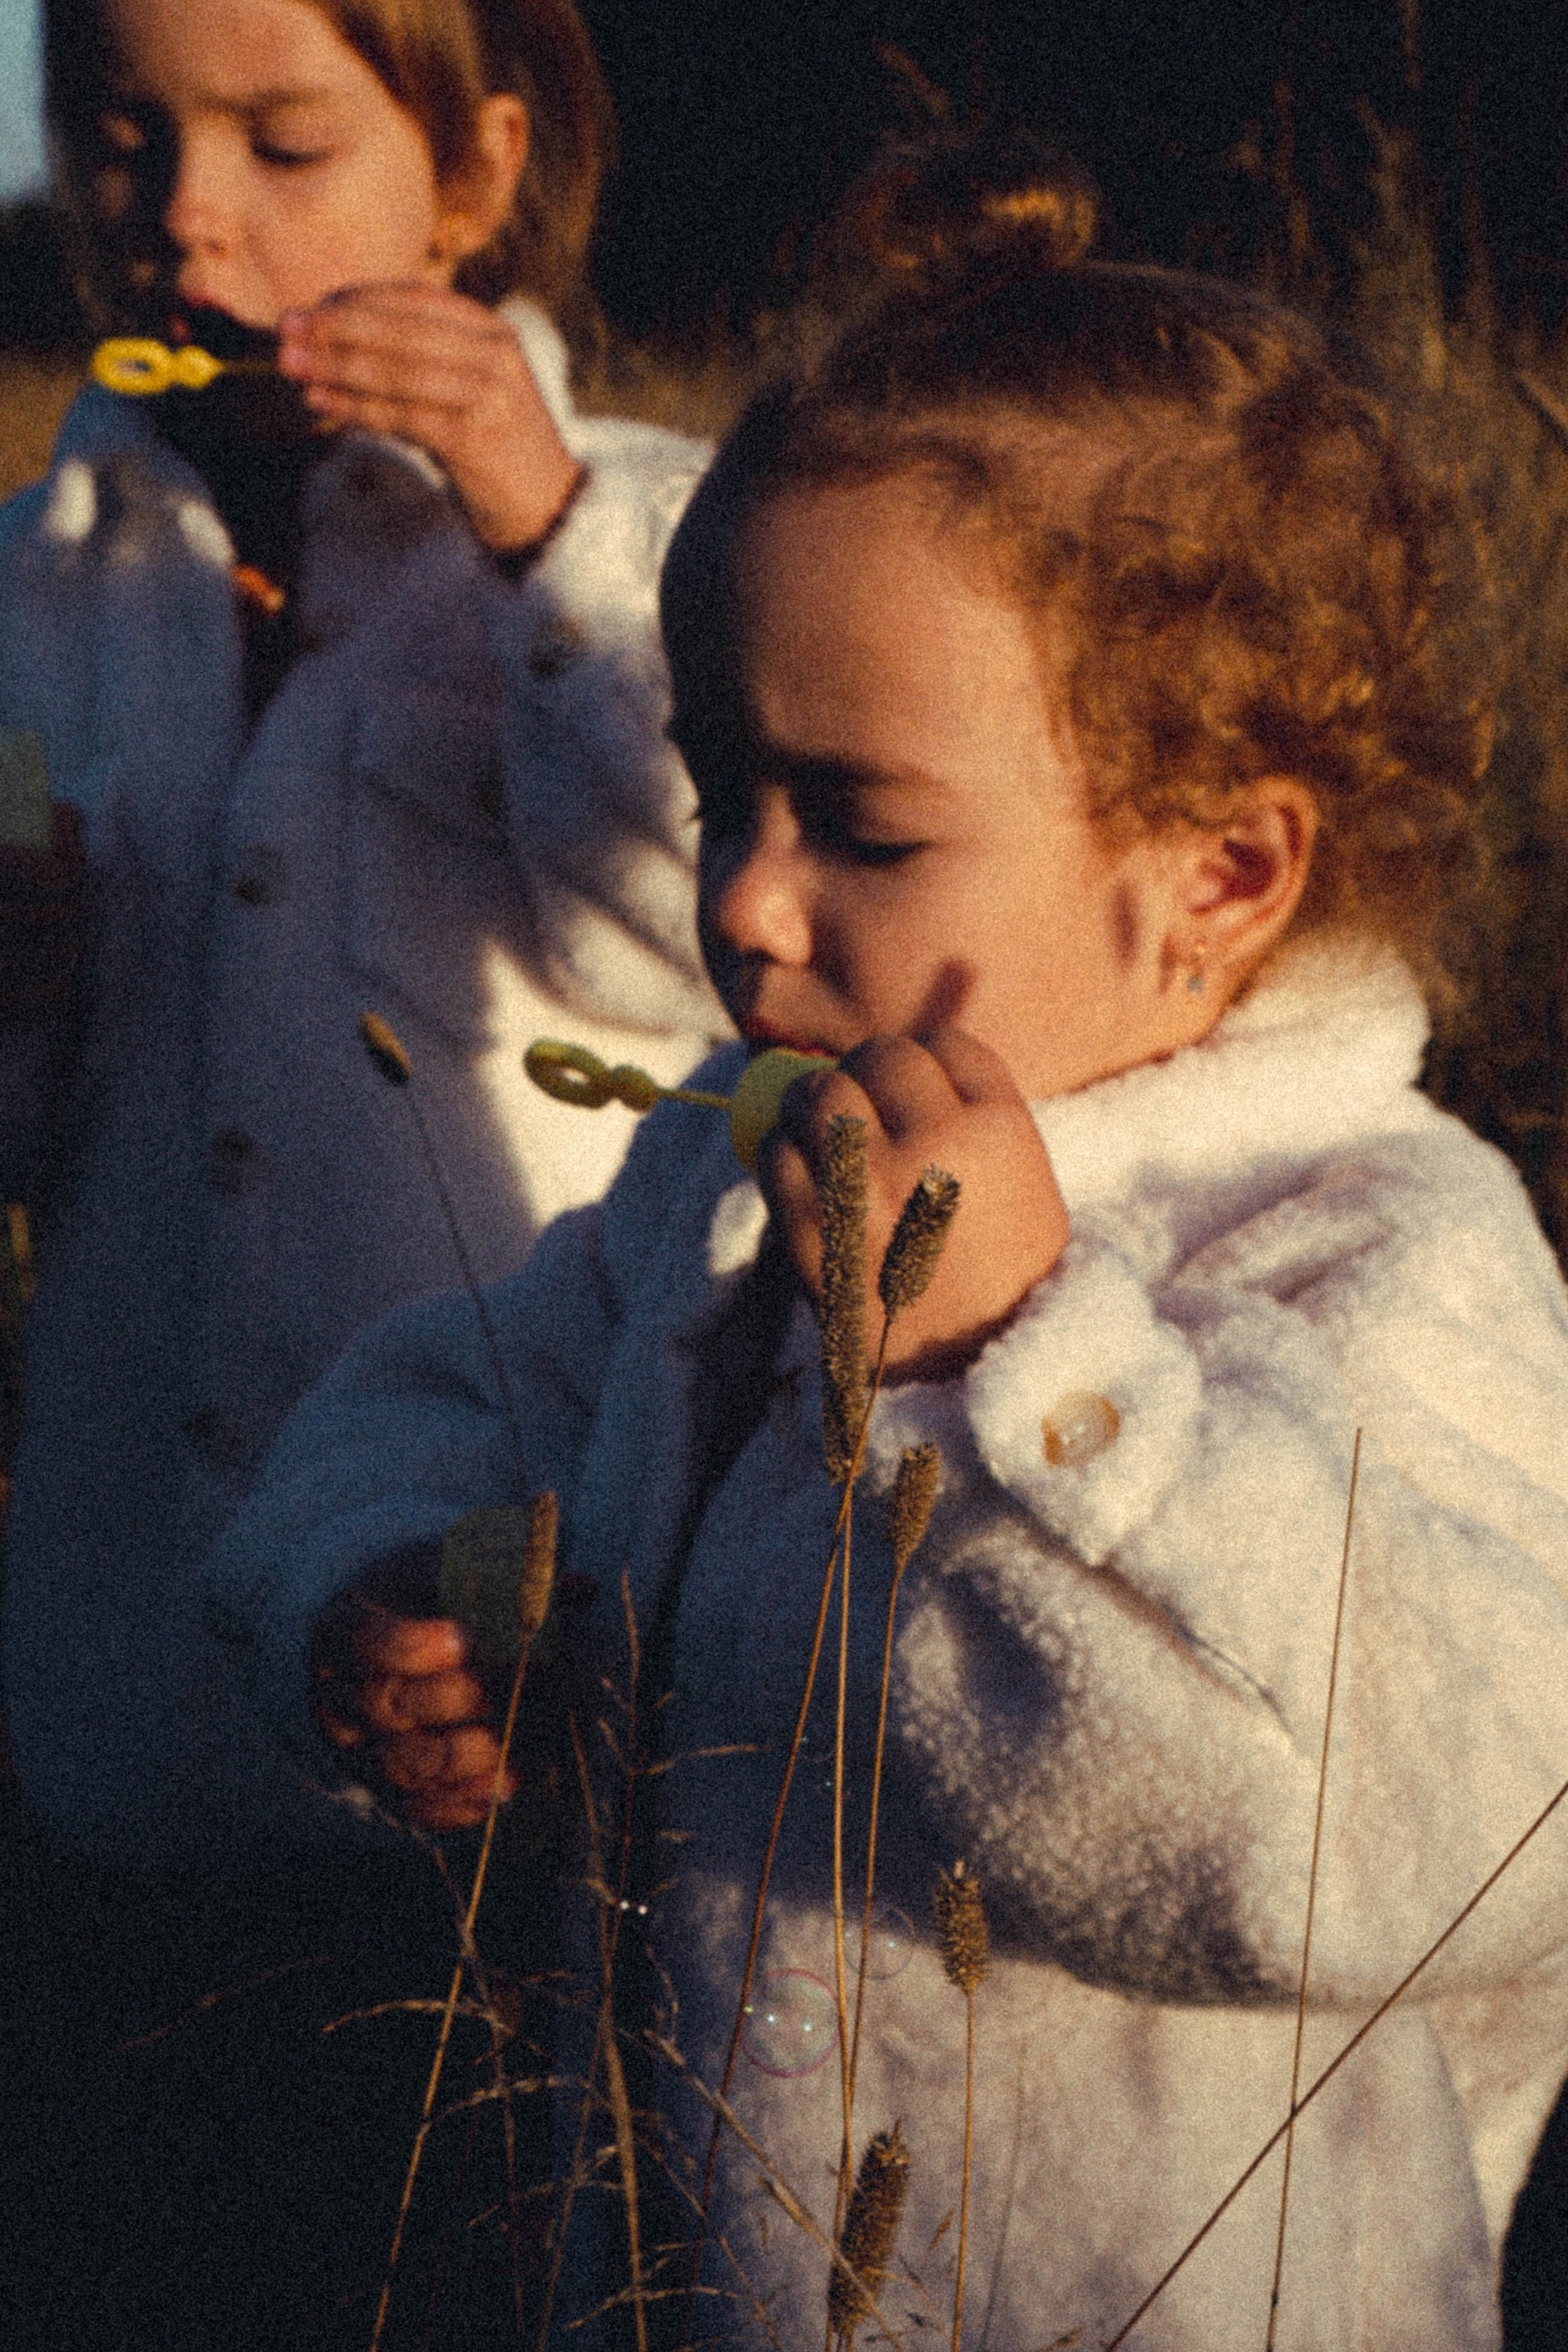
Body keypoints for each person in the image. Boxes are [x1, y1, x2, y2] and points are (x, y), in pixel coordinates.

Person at [205, 255, 1568, 2350]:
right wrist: (423, 1579)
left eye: (857, 821)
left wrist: (1008, 1359)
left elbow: (1373, 1844)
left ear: (1221, 871)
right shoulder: (725, 1170)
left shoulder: (1369, 1245)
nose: (743, 901)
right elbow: (467, 1389)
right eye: (721, 782)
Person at [0, 0, 725, 1866]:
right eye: (119, 136)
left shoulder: (655, 535)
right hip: (125, 1679)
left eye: (285, 145)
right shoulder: (32, 583)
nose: (184, 214)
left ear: (478, 174)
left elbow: (704, 940)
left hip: (505, 1646)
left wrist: (535, 521)